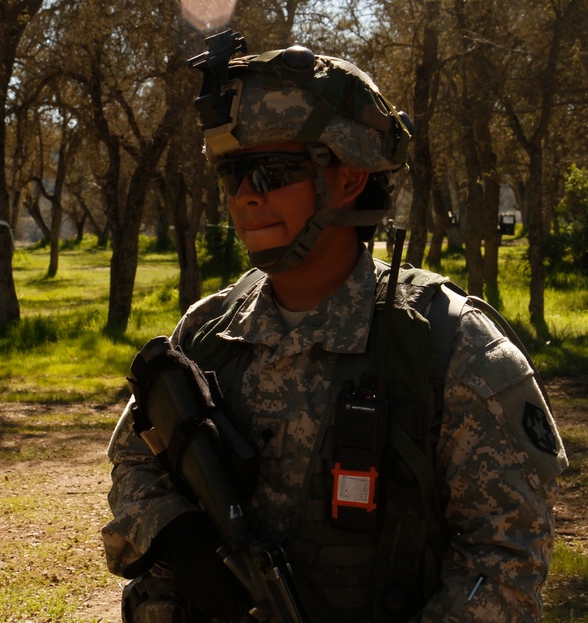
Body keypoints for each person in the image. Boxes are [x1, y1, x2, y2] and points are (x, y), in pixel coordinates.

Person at [103, 33, 567, 623]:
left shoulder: (451, 347)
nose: (246, 198)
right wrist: (178, 536)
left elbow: (504, 563)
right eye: (232, 175)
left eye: (272, 171)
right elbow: (134, 458)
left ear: (348, 178)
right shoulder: (208, 332)